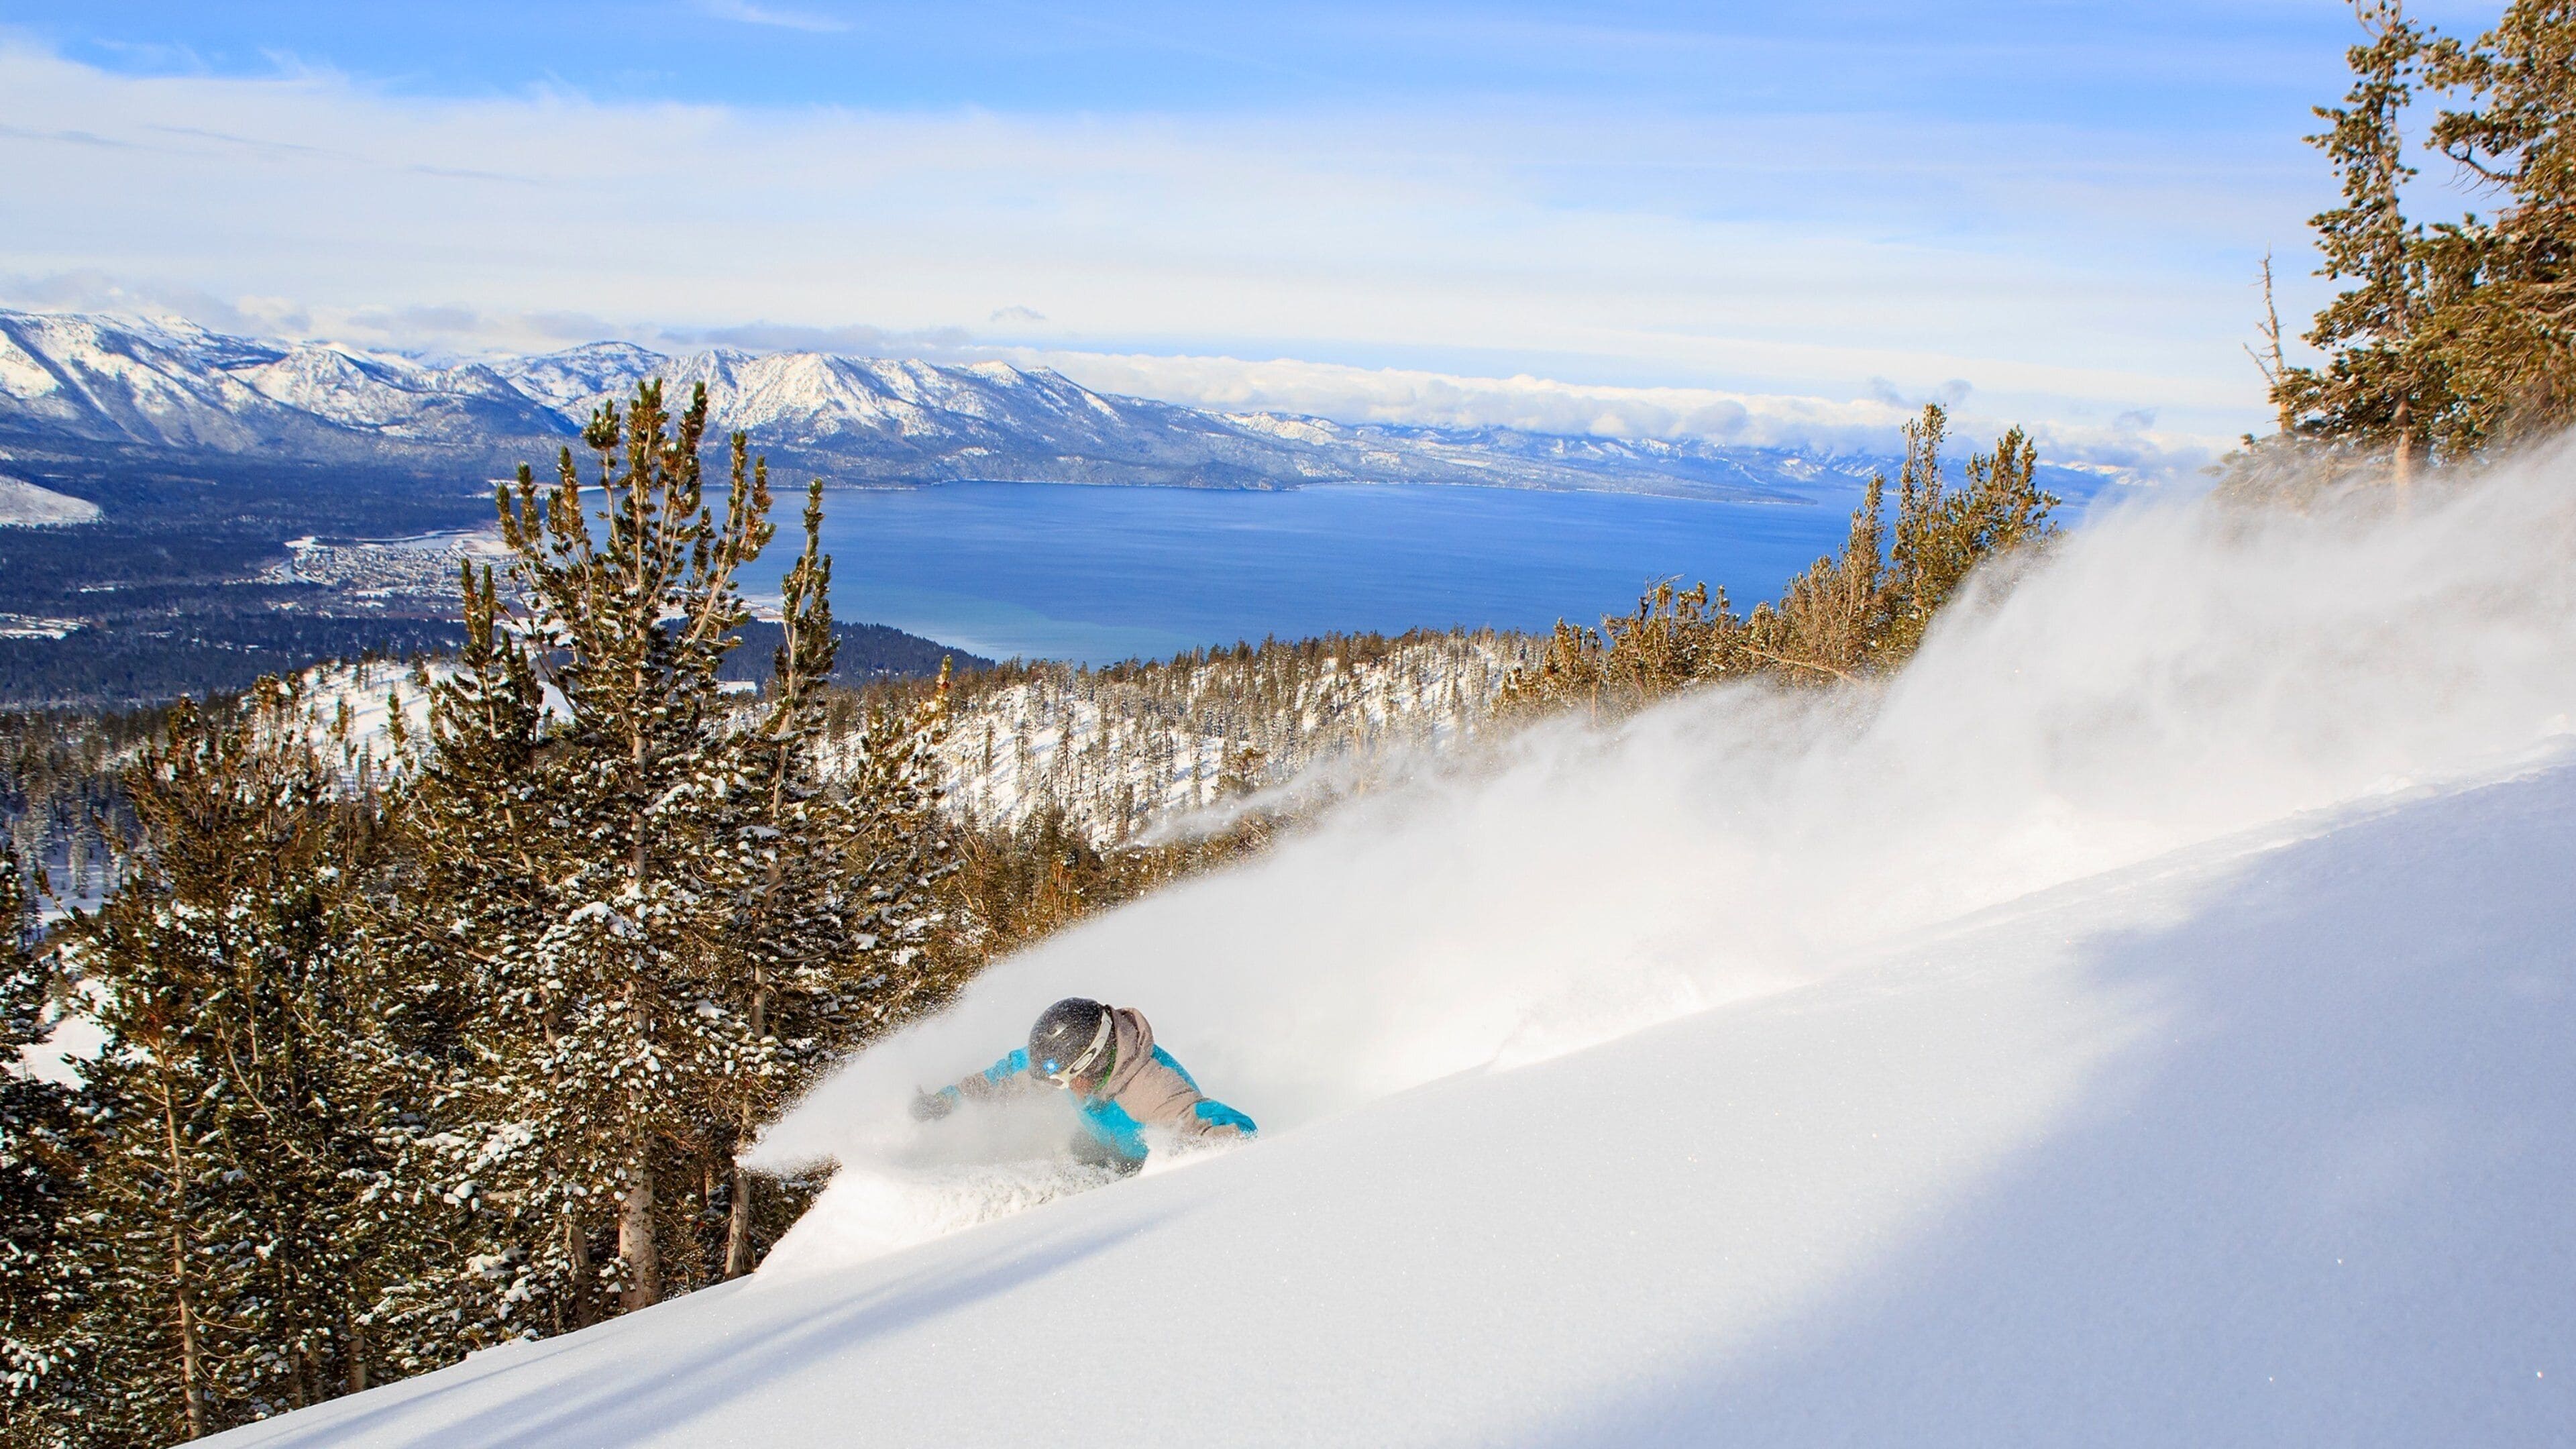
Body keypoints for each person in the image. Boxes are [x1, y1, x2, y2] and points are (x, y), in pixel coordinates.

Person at [912, 998, 1256, 1173]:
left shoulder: (1152, 1092)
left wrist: (1175, 1164)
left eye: (1064, 1080)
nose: (1061, 1088)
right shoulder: (1068, 1062)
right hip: (1097, 1143)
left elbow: (1239, 1130)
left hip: (1136, 1171)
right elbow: (1010, 1074)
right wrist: (950, 1099)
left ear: (1092, 1061)